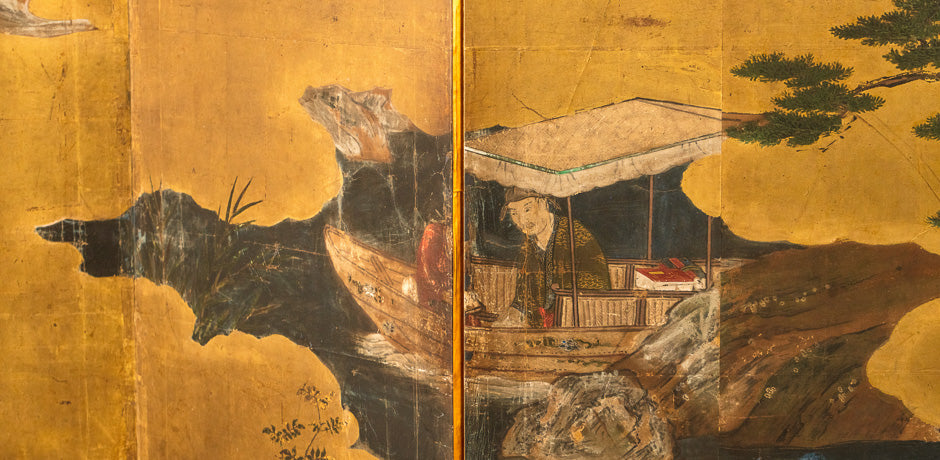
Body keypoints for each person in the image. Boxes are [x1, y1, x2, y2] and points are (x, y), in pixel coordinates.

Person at [496, 188, 611, 328]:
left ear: (544, 204)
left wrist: (563, 292)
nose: (522, 220)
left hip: (578, 321)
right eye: (514, 213)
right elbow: (522, 297)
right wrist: (512, 315)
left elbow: (597, 286)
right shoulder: (528, 246)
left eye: (527, 209)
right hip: (539, 327)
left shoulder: (575, 234)